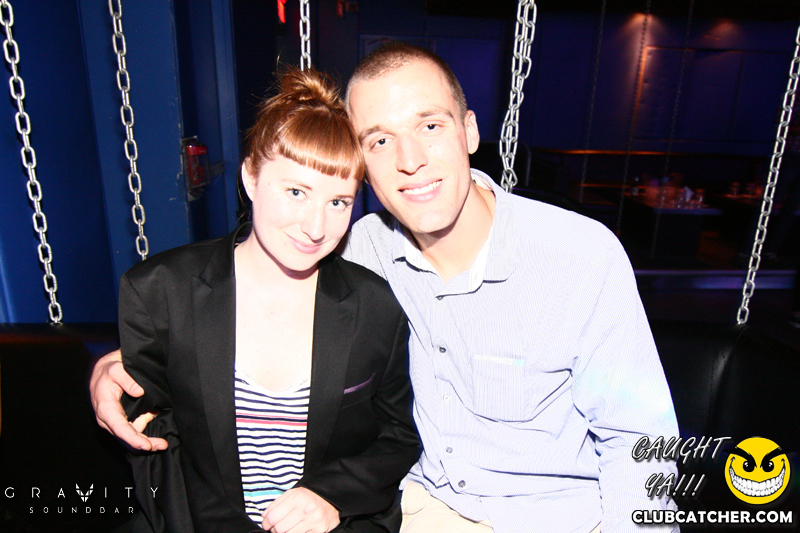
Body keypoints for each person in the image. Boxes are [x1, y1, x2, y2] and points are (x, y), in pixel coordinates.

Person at [92, 43, 678, 532]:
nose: (410, 160)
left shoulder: (577, 254)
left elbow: (640, 440)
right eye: (378, 140)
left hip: (556, 517)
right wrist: (118, 364)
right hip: (422, 511)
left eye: (430, 126)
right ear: (359, 164)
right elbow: (241, 292)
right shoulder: (351, 247)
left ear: (470, 131)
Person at [112, 66, 420, 533]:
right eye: (296, 191)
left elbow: (397, 436)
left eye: (338, 202)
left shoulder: (374, 306)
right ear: (251, 178)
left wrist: (332, 495)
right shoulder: (159, 290)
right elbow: (152, 440)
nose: (316, 227)